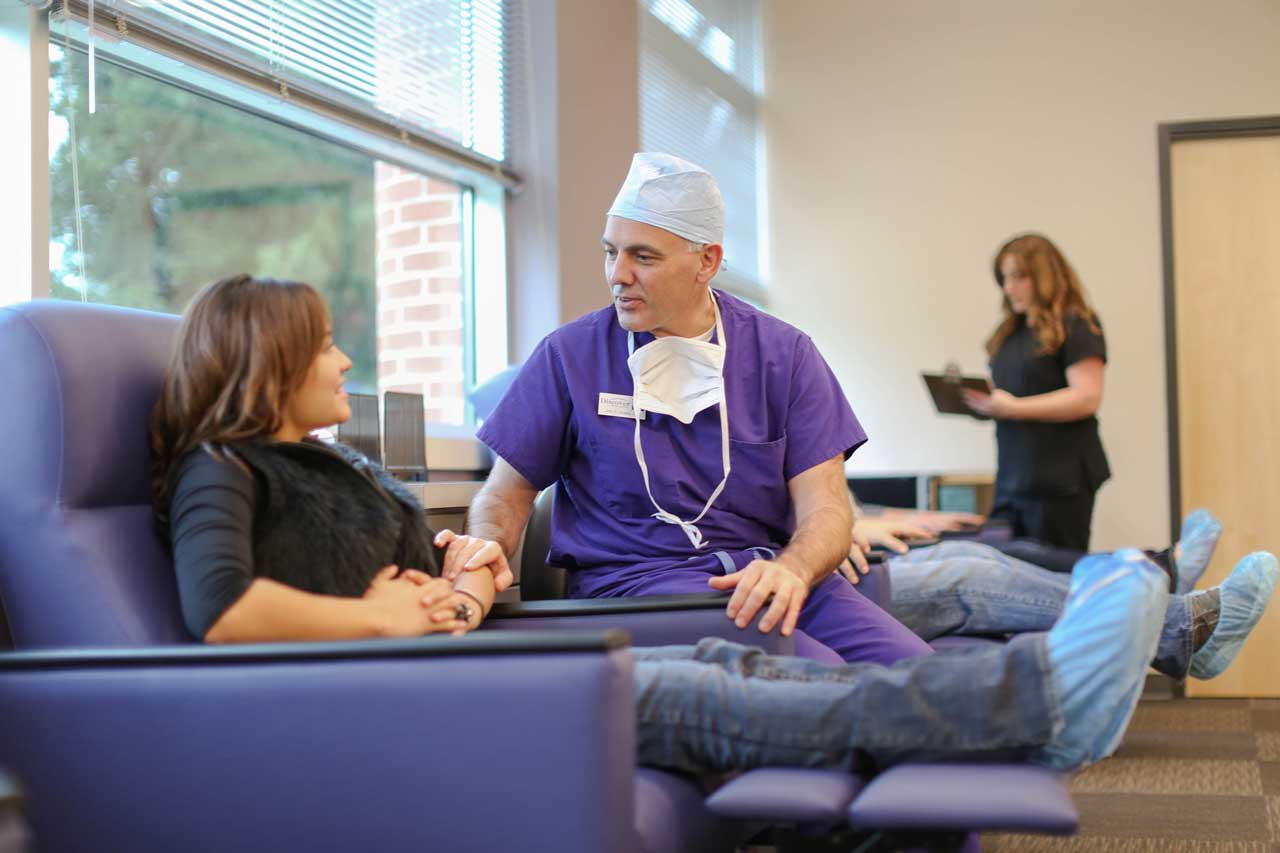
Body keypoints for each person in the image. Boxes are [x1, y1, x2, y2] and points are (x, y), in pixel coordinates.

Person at [153, 272, 1177, 774]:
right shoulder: (222, 470)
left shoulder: (343, 468)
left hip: (467, 663)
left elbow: (463, 573)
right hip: (429, 704)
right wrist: (388, 619)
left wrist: (459, 578)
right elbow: (224, 614)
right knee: (739, 691)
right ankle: (1038, 699)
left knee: (753, 674)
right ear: (271, 363)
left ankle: (1040, 694)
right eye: (324, 346)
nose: (343, 361)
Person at [464, 152, 929, 667]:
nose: (618, 274)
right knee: (823, 676)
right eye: (610, 251)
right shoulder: (569, 356)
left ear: (706, 261)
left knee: (921, 674)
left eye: (643, 257)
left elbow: (827, 510)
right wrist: (484, 548)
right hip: (640, 592)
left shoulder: (783, 355)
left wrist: (795, 568)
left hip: (767, 576)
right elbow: (506, 496)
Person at [844, 508, 1278, 682]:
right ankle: (1180, 625)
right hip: (821, 591)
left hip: (842, 570)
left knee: (969, 551)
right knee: (965, 576)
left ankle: (1176, 620)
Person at [963, 234, 1109, 550]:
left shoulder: (1076, 323)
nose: (1009, 288)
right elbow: (1012, 397)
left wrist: (1014, 408)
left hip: (1060, 480)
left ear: (1044, 277)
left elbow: (1086, 397)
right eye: (1004, 278)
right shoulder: (1011, 334)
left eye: (1019, 277)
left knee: (1053, 577)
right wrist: (987, 405)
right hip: (1013, 477)